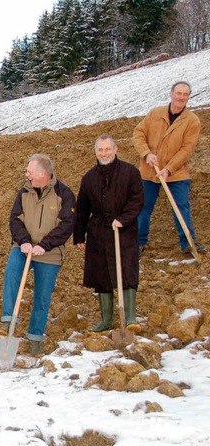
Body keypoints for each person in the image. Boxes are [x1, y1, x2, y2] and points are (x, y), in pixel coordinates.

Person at [0, 154, 75, 355]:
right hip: (24, 248)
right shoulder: (24, 191)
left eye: (30, 172)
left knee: (42, 296)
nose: (27, 175)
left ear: (43, 173)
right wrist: (23, 241)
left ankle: (35, 339)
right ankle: (8, 320)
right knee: (12, 272)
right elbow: (15, 219)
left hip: (49, 253)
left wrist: (45, 245)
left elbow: (67, 224)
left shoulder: (64, 194)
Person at [74, 135, 144, 333]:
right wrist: (79, 235)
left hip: (124, 231)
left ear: (116, 149)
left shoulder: (130, 173)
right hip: (98, 232)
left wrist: (123, 219)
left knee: (127, 271)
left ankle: (130, 317)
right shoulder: (88, 178)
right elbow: (82, 208)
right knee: (102, 275)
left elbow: (137, 200)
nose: (104, 153)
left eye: (107, 149)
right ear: (95, 152)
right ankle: (106, 321)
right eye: (100, 150)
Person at [133, 80, 205, 255]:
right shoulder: (155, 114)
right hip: (150, 171)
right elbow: (138, 133)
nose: (181, 97)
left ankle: (187, 242)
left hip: (177, 173)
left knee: (181, 206)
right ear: (171, 94)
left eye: (185, 94)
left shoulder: (192, 121)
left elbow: (187, 149)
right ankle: (138, 242)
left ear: (188, 97)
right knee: (143, 207)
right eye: (178, 93)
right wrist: (147, 154)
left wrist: (169, 168)